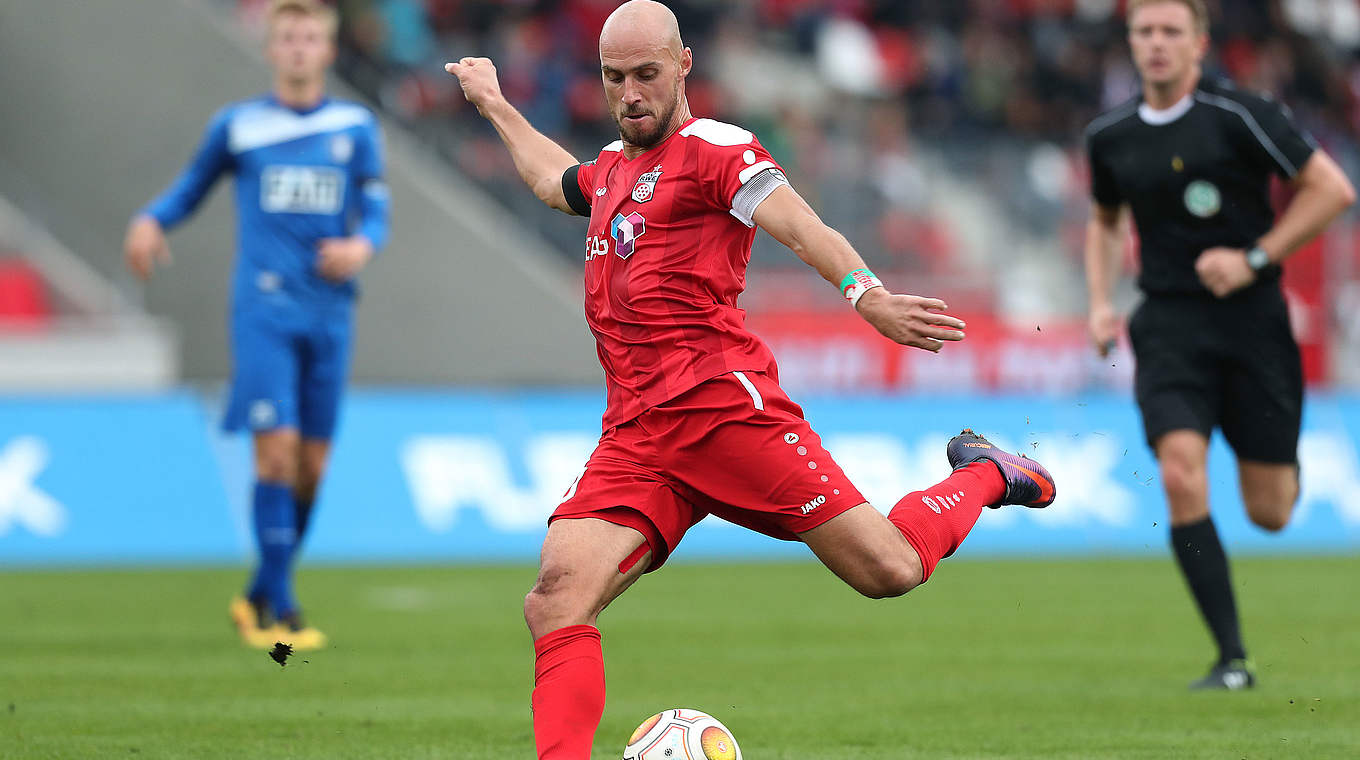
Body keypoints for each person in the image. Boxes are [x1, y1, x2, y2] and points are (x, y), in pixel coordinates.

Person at [445, 2, 1056, 756]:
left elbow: (803, 226)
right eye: (613, 78)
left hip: (726, 414)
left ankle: (990, 473)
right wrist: (496, 103)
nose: (630, 93)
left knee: (889, 569)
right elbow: (549, 180)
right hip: (637, 434)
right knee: (557, 598)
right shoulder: (609, 170)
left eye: (646, 74)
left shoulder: (717, 149)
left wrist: (868, 296)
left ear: (684, 67)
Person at [1084, 0, 1354, 689]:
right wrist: (1100, 301)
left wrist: (1255, 259)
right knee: (1179, 470)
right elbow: (1106, 220)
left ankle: (1278, 465)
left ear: (1200, 42)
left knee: (1269, 511)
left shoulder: (1242, 115)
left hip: (1253, 322)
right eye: (1144, 31)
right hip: (1169, 324)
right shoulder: (1110, 136)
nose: (1157, 44)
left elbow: (1331, 190)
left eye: (1172, 30)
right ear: (1131, 43)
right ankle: (1232, 658)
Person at [124, 0, 389, 650]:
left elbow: (377, 210)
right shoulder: (240, 126)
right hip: (264, 310)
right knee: (274, 454)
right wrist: (151, 219)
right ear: (271, 49)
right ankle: (282, 614)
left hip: (330, 313)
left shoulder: (354, 127)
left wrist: (362, 248)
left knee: (313, 467)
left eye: (310, 39)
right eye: (288, 38)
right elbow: (189, 188)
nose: (299, 48)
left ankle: (257, 593)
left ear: (327, 51)